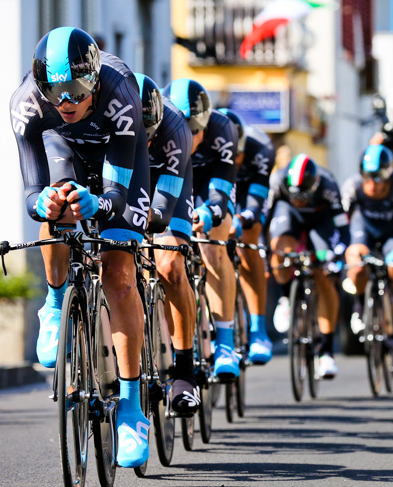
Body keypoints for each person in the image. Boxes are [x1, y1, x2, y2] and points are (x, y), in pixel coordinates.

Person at [9, 27, 150, 468]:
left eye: (75, 89)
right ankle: (54, 303)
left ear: (93, 81)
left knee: (120, 276)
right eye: (56, 91)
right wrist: (46, 203)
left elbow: (119, 197)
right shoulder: (28, 105)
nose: (65, 101)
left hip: (117, 154)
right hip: (62, 148)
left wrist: (102, 202)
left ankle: (130, 408)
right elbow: (31, 192)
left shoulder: (120, 91)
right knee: (58, 203)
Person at [162, 79, 242, 381]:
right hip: (172, 179)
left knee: (213, 247)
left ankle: (225, 344)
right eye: (182, 128)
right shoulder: (157, 124)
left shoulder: (222, 128)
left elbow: (222, 187)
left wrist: (211, 212)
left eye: (195, 129)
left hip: (208, 182)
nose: (188, 135)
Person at [133, 72, 200, 415]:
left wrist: (153, 224)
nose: (143, 142)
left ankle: (184, 369)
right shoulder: (99, 121)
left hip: (167, 181)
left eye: (149, 134)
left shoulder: (175, 130)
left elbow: (162, 207)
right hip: (122, 177)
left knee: (169, 263)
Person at [268, 154, 350, 379]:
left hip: (320, 220)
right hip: (289, 217)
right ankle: (286, 299)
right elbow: (265, 218)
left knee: (323, 273)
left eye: (304, 197)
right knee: (280, 249)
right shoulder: (277, 181)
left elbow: (342, 226)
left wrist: (338, 253)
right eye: (295, 196)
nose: (299, 200)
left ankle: (325, 351)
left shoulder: (329, 185)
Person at [342, 145, 393, 375]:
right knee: (356, 257)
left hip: (392, 234)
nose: (372, 184)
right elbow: (342, 223)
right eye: (367, 177)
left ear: (389, 176)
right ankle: (360, 305)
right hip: (364, 232)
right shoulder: (352, 187)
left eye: (379, 178)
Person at [220, 108, 276, 365]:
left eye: (238, 155)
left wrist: (242, 220)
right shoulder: (205, 143)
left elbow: (255, 205)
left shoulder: (261, 148)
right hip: (216, 182)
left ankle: (258, 329)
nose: (236, 160)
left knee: (247, 239)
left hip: (248, 189)